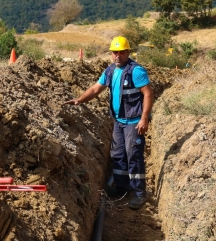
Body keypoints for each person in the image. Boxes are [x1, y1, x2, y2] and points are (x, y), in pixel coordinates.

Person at [64, 36, 154, 210]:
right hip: (119, 122)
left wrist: (144, 118)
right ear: (111, 54)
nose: (117, 55)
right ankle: (121, 187)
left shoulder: (136, 71)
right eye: (115, 52)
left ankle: (139, 193)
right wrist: (79, 100)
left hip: (134, 122)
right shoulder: (110, 71)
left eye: (121, 52)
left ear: (128, 52)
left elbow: (148, 94)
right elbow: (95, 89)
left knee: (133, 156)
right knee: (118, 155)